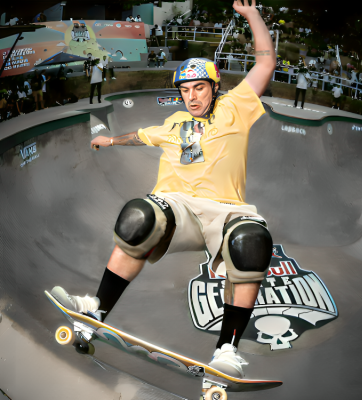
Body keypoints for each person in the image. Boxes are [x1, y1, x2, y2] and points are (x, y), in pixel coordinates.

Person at [50, 0, 276, 380]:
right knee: (138, 217)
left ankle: (227, 351)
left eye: (199, 88)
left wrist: (252, 15)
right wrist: (110, 140)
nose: (192, 97)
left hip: (227, 211)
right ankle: (95, 309)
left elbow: (266, 63)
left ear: (215, 88)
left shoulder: (236, 107)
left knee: (251, 243)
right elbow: (140, 136)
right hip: (176, 207)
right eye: (185, 90)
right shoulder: (173, 123)